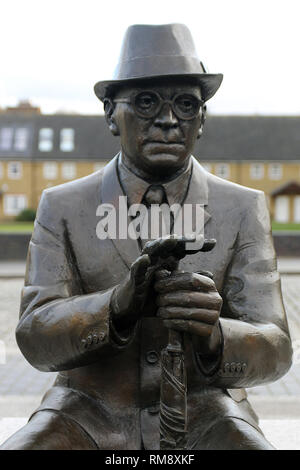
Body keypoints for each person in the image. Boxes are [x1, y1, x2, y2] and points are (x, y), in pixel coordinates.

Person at [1, 23, 292, 450]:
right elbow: (35, 338)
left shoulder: (242, 207)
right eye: (146, 102)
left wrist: (215, 334)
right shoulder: (62, 206)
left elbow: (277, 348)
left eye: (187, 105)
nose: (169, 120)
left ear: (203, 120)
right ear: (109, 114)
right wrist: (115, 307)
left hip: (208, 414)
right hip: (85, 414)